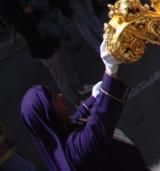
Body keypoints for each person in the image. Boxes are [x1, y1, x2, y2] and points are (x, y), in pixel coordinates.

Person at [21, 42, 148, 170]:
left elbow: (80, 115)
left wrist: (95, 96)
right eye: (54, 99)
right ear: (50, 115)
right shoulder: (75, 152)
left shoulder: (64, 130)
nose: (60, 96)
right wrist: (110, 72)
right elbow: (99, 123)